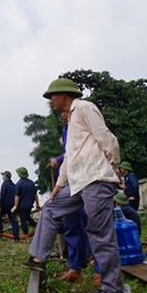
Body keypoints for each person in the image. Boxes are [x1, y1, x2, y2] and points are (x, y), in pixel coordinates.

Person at [24, 78, 126, 293]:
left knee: (99, 233)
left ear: (64, 95)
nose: (51, 101)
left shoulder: (85, 108)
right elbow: (70, 158)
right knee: (50, 207)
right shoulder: (70, 123)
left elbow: (107, 139)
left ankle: (112, 287)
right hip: (77, 183)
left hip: (96, 179)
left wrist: (113, 167)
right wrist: (59, 185)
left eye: (53, 97)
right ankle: (39, 258)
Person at [49, 109, 89, 283]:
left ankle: (98, 268)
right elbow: (68, 155)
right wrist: (57, 160)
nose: (64, 116)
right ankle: (75, 267)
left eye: (66, 113)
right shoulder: (66, 131)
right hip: (70, 184)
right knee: (72, 227)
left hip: (88, 182)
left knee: (91, 226)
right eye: (62, 115)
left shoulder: (86, 125)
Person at [11, 167, 40, 240]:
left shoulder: (19, 184)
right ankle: (36, 226)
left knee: (23, 221)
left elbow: (17, 196)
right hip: (30, 205)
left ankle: (26, 237)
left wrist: (15, 206)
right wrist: (38, 204)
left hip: (22, 206)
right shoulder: (31, 183)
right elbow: (35, 195)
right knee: (27, 217)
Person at [0, 171, 18, 240]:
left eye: (3, 175)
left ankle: (0, 231)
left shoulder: (4, 184)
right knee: (14, 221)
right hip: (12, 206)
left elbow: (2, 196)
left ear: (5, 176)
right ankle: (16, 237)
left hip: (5, 206)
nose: (2, 177)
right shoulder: (14, 185)